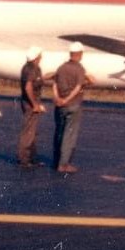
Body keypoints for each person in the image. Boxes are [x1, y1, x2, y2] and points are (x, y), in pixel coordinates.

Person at [52, 42, 89, 173]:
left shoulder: (61, 67)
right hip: (73, 105)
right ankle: (63, 164)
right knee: (69, 135)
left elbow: (54, 84)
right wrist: (67, 100)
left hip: (60, 105)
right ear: (80, 54)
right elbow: (78, 87)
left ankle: (56, 161)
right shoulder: (79, 69)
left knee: (59, 132)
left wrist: (58, 99)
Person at [17, 46, 46, 167]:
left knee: (32, 131)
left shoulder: (30, 68)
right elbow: (28, 87)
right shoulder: (31, 69)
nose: (41, 57)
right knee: (28, 132)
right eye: (39, 55)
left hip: (31, 101)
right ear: (36, 57)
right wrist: (35, 104)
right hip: (30, 102)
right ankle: (24, 159)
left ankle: (32, 158)